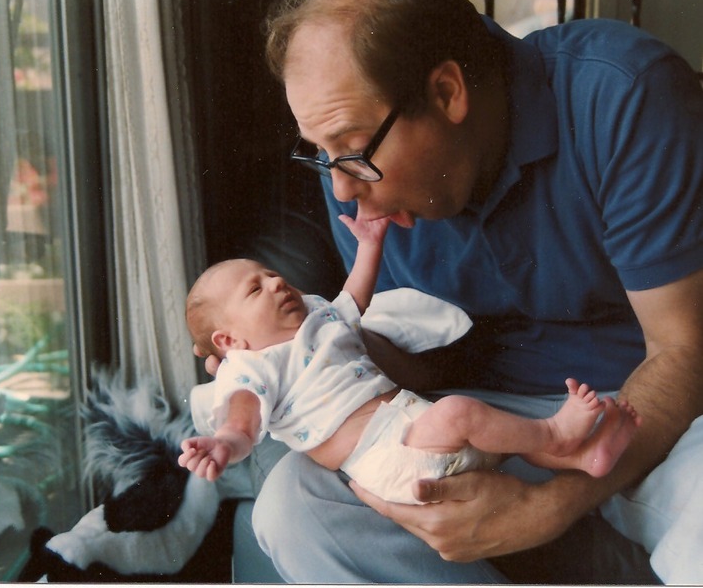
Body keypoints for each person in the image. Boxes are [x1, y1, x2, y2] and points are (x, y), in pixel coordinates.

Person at [222, 0, 703, 583]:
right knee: (298, 505)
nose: (341, 191)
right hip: (480, 415)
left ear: (448, 93)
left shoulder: (622, 95)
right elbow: (415, 368)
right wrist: (297, 352)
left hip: (649, 406)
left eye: (349, 148)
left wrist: (550, 506)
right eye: (322, 154)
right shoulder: (355, 176)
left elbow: (682, 347)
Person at [180, 214, 640, 504]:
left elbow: (355, 298)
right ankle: (557, 435)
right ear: (229, 340)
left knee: (491, 432)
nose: (278, 283)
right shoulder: (250, 368)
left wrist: (371, 244)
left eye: (273, 274)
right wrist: (223, 445)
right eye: (256, 289)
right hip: (384, 458)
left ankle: (585, 458)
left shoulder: (317, 318)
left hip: (411, 427)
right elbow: (241, 424)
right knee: (460, 412)